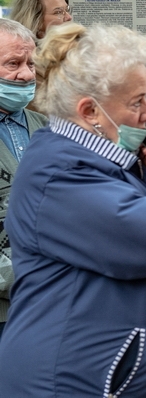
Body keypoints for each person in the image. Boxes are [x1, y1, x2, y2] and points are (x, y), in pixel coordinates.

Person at [0, 22, 146, 396]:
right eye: (137, 102)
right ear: (90, 112)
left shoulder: (94, 161)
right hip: (78, 381)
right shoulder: (62, 175)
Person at [0, 20, 47, 340]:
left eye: (30, 63)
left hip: (48, 302)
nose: (27, 74)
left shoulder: (45, 126)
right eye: (12, 64)